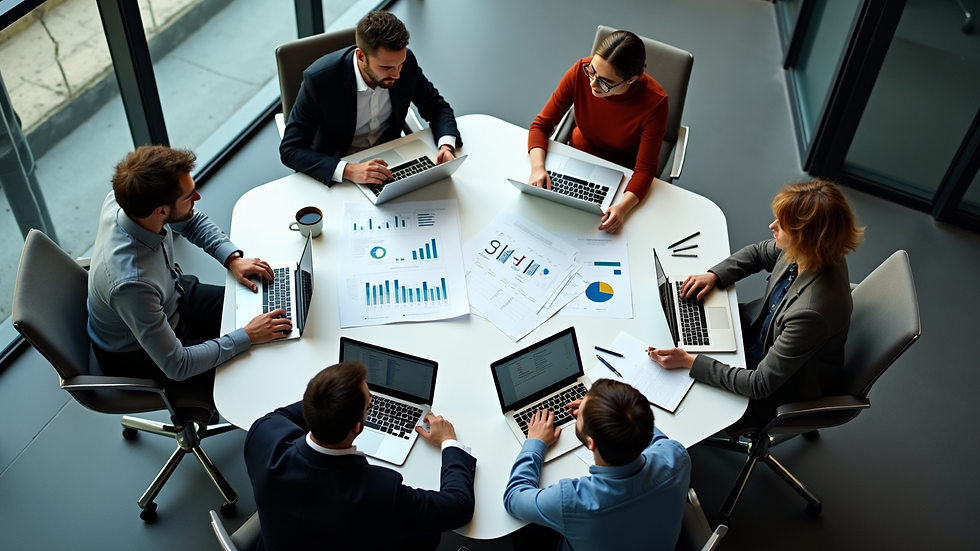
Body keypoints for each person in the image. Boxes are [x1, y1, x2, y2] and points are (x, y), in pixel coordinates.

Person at [87, 145, 292, 424]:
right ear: (160, 210)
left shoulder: (125, 199)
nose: (198, 197)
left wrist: (231, 258)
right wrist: (247, 336)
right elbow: (178, 365)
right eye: (189, 196)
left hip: (171, 297)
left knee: (261, 301)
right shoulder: (132, 283)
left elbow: (189, 221)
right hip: (140, 353)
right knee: (258, 360)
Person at [647, 179, 865, 431]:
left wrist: (690, 362)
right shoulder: (815, 250)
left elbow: (760, 384)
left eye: (781, 226)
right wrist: (715, 275)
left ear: (804, 239)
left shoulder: (811, 312)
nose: (772, 227)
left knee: (673, 395)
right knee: (674, 326)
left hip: (775, 387)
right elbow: (759, 253)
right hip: (759, 335)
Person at [245, 361, 476, 551]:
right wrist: (449, 442)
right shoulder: (380, 491)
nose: (372, 400)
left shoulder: (263, 436)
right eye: (369, 403)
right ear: (357, 427)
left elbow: (285, 415)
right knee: (428, 533)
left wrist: (331, 395)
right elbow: (459, 507)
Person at [503, 379, 691, 551]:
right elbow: (651, 435)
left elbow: (513, 497)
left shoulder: (570, 500)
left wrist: (535, 443)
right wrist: (607, 410)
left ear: (592, 443)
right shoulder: (676, 456)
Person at [280, 11, 461, 187]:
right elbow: (291, 150)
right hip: (340, 169)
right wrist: (350, 170)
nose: (397, 74)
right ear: (360, 56)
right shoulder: (319, 80)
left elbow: (437, 108)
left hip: (390, 159)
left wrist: (446, 147)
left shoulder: (406, 64)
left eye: (400, 64)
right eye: (387, 67)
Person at [527, 30, 669, 234]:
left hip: (621, 173)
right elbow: (541, 125)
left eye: (606, 81)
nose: (592, 84)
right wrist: (538, 168)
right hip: (577, 155)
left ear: (631, 80)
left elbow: (645, 170)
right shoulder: (579, 71)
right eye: (592, 71)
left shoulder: (655, 102)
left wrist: (622, 208)